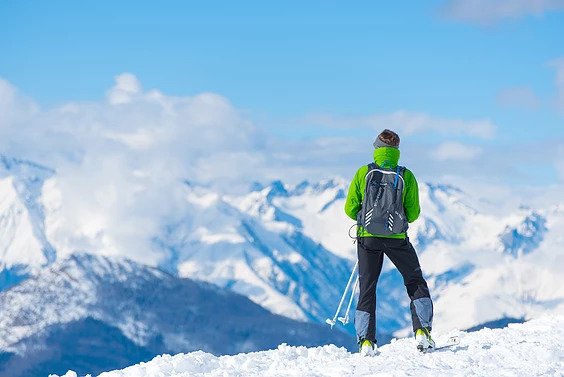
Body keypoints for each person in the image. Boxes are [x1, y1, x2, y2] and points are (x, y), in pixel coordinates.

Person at [344, 129, 434, 356]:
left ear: (376, 148)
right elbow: (413, 213)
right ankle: (422, 330)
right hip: (397, 239)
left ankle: (366, 341)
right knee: (414, 281)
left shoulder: (363, 173)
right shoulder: (406, 175)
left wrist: (366, 219)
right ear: (397, 150)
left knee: (368, 287)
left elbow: (349, 208)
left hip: (368, 238)